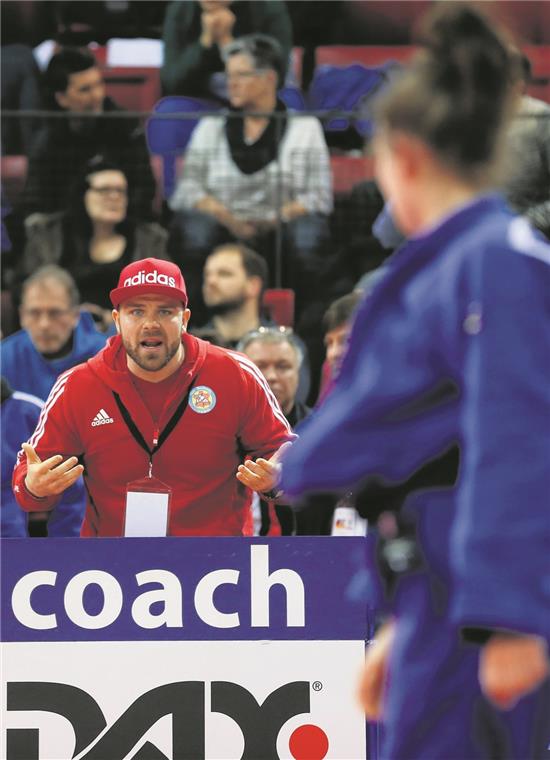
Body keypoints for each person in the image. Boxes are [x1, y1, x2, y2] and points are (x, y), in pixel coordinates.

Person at [241, 4, 550, 758]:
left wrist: (510, 619)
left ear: (404, 157)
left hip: (483, 596)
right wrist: (404, 622)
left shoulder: (501, 263)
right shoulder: (434, 269)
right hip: (431, 588)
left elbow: (519, 444)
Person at [13, 257, 294, 537]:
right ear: (117, 321)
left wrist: (279, 479)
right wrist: (33, 488)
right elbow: (29, 476)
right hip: (112, 569)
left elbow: (285, 457)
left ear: (184, 319)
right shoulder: (76, 386)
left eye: (164, 312)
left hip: (217, 569)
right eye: (136, 312)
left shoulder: (236, 374)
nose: (150, 324)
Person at [168, 33, 332, 313]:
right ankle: (196, 321)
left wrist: (273, 219)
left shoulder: (306, 129)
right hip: (222, 224)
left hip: (281, 227)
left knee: (308, 234)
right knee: (194, 229)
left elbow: (318, 197)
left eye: (241, 75)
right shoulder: (211, 127)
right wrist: (228, 218)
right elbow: (187, 191)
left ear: (269, 78)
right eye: (228, 75)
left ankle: (306, 323)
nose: (231, 83)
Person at [18, 157, 169, 331]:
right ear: (83, 195)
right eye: (104, 190)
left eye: (121, 191)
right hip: (62, 332)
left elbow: (164, 296)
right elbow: (28, 289)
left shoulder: (149, 240)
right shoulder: (49, 236)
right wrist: (71, 314)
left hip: (129, 334)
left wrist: (119, 318)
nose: (114, 197)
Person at [20, 47, 155, 219]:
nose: (97, 95)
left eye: (99, 84)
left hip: (117, 227)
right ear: (61, 98)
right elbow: (36, 202)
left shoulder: (126, 129)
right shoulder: (47, 141)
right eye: (85, 89)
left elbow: (143, 193)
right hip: (66, 231)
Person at [239, 325, 308, 536]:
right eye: (259, 366)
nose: (271, 376)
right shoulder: (220, 430)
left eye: (283, 366)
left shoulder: (321, 433)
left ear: (298, 373)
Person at [1, 265, 108, 401]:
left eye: (55, 313)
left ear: (75, 315)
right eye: (34, 313)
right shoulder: (4, 358)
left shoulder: (106, 357)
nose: (44, 324)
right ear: (22, 316)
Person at [161, 0, 292, 101]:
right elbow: (172, 82)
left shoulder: (267, 7)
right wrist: (205, 41)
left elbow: (274, 79)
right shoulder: (181, 11)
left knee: (289, 101)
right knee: (169, 109)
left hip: (257, 100)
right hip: (201, 98)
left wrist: (226, 41)